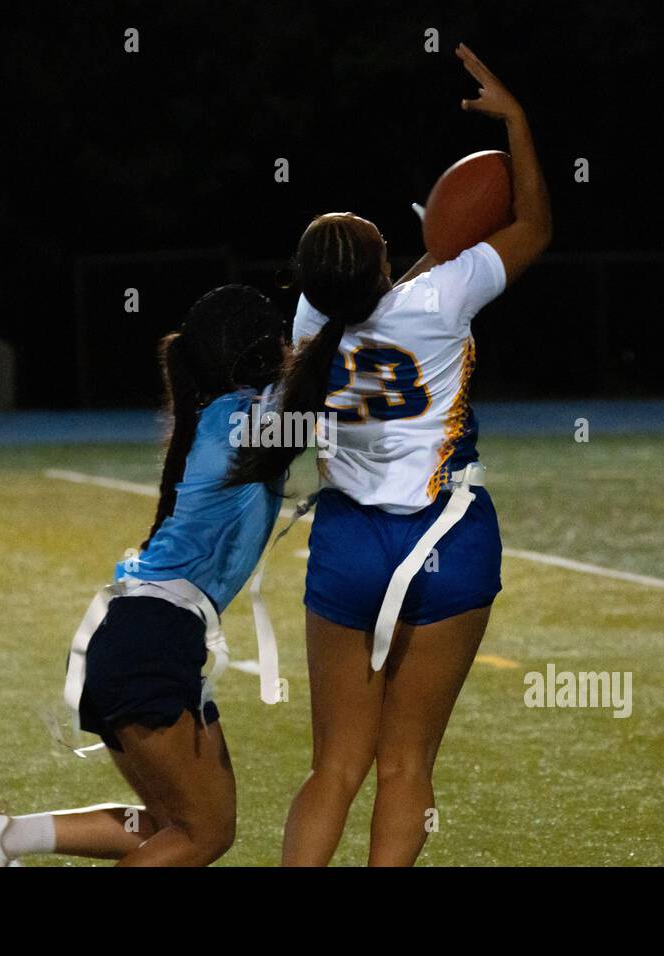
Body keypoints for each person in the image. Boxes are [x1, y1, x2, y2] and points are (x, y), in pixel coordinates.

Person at [227, 44, 552, 866]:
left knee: (334, 768)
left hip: (348, 542)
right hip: (448, 536)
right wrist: (514, 121)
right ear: (384, 263)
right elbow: (534, 226)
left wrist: (417, 260)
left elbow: (371, 300)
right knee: (406, 764)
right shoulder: (441, 299)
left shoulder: (309, 324)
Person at [0, 284, 286, 866]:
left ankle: (6, 839)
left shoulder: (223, 416)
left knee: (181, 825)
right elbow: (331, 393)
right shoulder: (244, 422)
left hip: (140, 635)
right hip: (149, 642)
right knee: (199, 835)